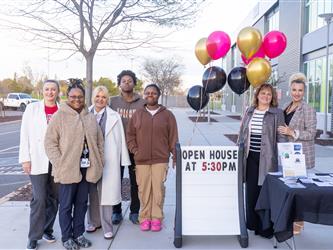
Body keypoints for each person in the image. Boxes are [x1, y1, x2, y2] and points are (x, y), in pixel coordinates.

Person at [44, 79, 104, 250]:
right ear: (67, 97)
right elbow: (50, 143)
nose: (76, 99)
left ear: (84, 98)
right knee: (65, 206)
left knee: (81, 204)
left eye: (80, 96)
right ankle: (67, 237)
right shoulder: (59, 116)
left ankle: (78, 234)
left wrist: (100, 161)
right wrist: (60, 163)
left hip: (87, 169)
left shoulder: (90, 116)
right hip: (67, 170)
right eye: (73, 96)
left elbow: (100, 141)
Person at [127, 84, 178, 232]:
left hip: (160, 159)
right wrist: (135, 150)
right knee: (143, 190)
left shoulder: (168, 115)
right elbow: (130, 135)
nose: (151, 95)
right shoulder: (137, 114)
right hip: (141, 159)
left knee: (158, 190)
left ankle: (156, 218)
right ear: (144, 95)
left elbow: (173, 137)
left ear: (158, 95)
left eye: (154, 93)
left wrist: (174, 155)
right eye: (148, 93)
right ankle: (145, 217)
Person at [238, 83, 286, 238]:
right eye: (263, 93)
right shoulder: (249, 111)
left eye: (269, 94)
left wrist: (284, 159)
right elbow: (242, 133)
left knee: (265, 193)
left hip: (268, 158)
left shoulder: (277, 113)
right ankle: (252, 224)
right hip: (250, 157)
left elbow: (282, 137)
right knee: (251, 192)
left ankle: (265, 228)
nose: (266, 96)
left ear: (272, 97)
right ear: (257, 95)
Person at [19, 79, 60, 250]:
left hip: (58, 161)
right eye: (47, 89)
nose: (50, 92)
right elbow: (25, 134)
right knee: (40, 198)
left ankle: (47, 229)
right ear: (42, 91)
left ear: (58, 92)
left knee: (55, 199)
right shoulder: (32, 109)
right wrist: (25, 159)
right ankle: (34, 236)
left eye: (53, 89)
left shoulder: (63, 109)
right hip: (37, 159)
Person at [86, 86, 131, 239]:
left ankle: (107, 226)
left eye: (103, 97)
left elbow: (121, 139)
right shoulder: (85, 114)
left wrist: (124, 159)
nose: (100, 99)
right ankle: (93, 222)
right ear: (93, 97)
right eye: (97, 96)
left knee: (106, 194)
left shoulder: (114, 116)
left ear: (107, 99)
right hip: (89, 160)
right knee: (92, 192)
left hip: (109, 159)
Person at [278, 73, 317, 235]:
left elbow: (311, 133)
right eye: (294, 89)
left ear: (304, 92)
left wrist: (292, 132)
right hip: (287, 155)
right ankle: (289, 219)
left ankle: (299, 223)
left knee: (299, 192)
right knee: (289, 189)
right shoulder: (287, 106)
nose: (297, 93)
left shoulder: (307, 109)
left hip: (301, 157)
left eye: (300, 90)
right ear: (290, 90)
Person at [109, 70, 146, 225]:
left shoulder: (142, 103)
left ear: (134, 83)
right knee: (115, 180)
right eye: (123, 81)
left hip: (134, 148)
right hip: (116, 147)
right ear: (119, 84)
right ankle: (116, 211)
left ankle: (134, 211)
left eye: (129, 80)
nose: (126, 83)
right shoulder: (112, 102)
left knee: (135, 181)